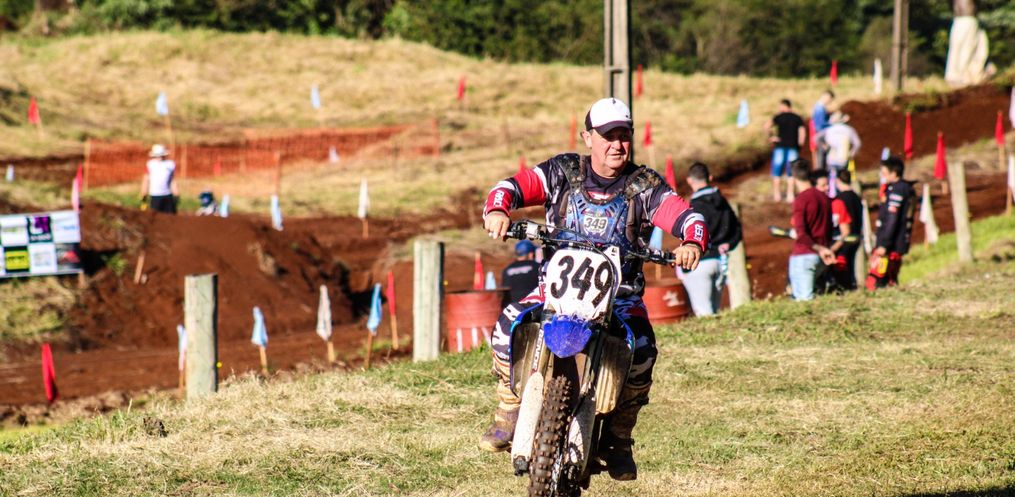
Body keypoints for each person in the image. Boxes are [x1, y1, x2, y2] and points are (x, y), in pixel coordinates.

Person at [480, 97, 708, 481]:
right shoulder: (561, 172)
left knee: (643, 352)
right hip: (555, 290)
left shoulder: (646, 186)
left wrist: (691, 241)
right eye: (607, 136)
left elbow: (688, 217)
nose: (617, 144)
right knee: (506, 326)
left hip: (620, 297)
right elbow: (510, 187)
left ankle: (619, 436)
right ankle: (508, 405)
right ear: (588, 137)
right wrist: (499, 210)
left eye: (624, 136)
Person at [677, 162, 742, 316]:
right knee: (714, 310)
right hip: (721, 262)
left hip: (700, 263)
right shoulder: (723, 202)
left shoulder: (694, 206)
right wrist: (728, 244)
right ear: (710, 178)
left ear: (689, 180)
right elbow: (737, 230)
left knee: (704, 313)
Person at [789, 159, 836, 301]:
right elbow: (829, 228)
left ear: (793, 177)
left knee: (803, 302)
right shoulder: (824, 198)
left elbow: (802, 234)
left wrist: (819, 248)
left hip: (805, 255)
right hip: (821, 257)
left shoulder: (801, 200)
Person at [867, 156, 916, 290]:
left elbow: (892, 219)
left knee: (875, 280)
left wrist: (884, 244)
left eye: (884, 173)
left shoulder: (897, 190)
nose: (882, 176)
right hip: (895, 243)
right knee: (889, 278)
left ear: (894, 173)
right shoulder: (902, 188)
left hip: (891, 245)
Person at [764, 99, 806, 202]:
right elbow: (802, 133)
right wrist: (800, 145)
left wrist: (770, 137)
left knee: (777, 172)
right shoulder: (797, 118)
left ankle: (777, 195)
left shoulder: (779, 117)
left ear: (784, 106)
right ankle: (790, 195)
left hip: (780, 146)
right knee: (791, 172)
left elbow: (766, 126)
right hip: (793, 147)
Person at [829, 170, 863, 291]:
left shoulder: (839, 199)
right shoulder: (856, 197)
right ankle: (852, 288)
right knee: (851, 268)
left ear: (838, 181)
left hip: (842, 240)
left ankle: (845, 290)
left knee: (842, 273)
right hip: (856, 237)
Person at [822, 112, 861, 196]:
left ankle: (833, 195)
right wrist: (852, 153)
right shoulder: (849, 129)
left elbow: (816, 138)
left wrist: (824, 146)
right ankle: (845, 194)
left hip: (831, 159)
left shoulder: (829, 130)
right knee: (844, 178)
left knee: (832, 178)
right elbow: (857, 143)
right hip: (844, 158)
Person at [139, 144, 178, 214]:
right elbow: (146, 179)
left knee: (171, 216)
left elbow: (172, 179)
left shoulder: (170, 164)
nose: (159, 157)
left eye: (161, 155)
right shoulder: (150, 164)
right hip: (155, 195)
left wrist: (176, 193)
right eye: (157, 155)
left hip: (167, 195)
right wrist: (144, 194)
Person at [501, 240, 540, 305]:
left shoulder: (507, 270)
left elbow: (504, 292)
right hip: (532, 307)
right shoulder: (537, 267)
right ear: (531, 254)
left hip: (513, 308)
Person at [811, 90, 835, 170]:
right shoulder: (819, 108)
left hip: (820, 135)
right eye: (830, 99)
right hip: (821, 135)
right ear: (826, 96)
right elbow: (819, 125)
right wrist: (832, 123)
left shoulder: (820, 107)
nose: (829, 101)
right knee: (821, 158)